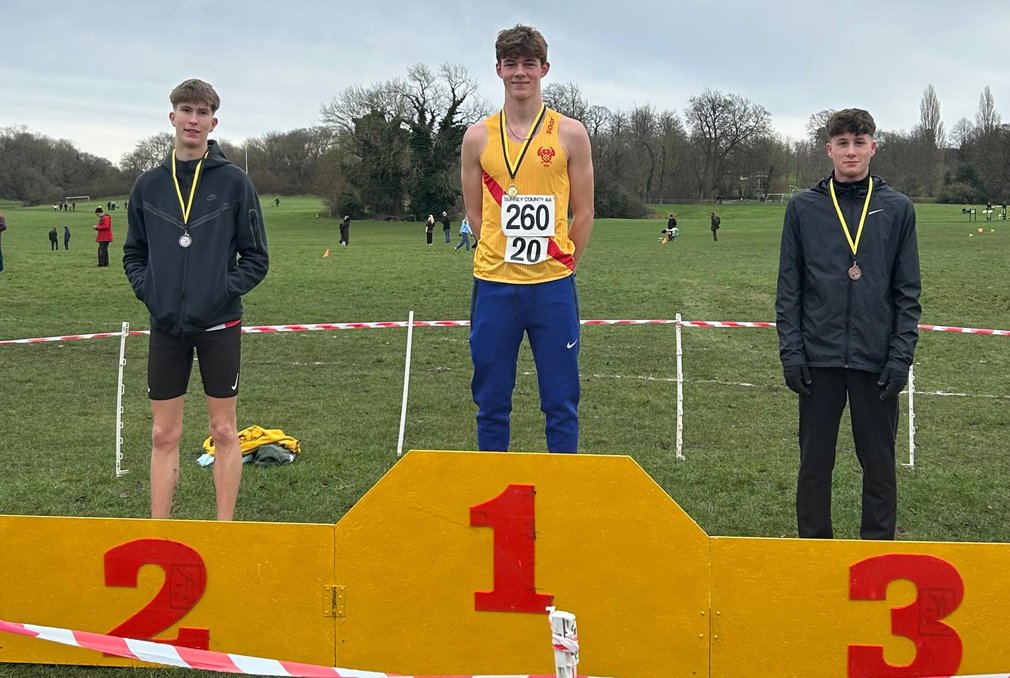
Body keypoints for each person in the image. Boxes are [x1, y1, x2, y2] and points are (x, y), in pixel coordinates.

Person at [123, 78, 269, 521]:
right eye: (186, 110)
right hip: (167, 325)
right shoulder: (148, 185)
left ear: (213, 121)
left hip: (219, 325)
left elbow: (256, 258)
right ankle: (160, 532)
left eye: (202, 112)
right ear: (172, 117)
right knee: (163, 435)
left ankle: (223, 531)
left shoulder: (235, 183)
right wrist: (152, 292)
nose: (193, 119)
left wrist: (220, 291)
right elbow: (134, 253)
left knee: (225, 429)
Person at [775, 108, 921, 541]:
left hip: (875, 359)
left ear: (874, 147)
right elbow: (789, 287)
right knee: (815, 465)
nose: (851, 151)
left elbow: (907, 291)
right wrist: (791, 351)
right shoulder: (804, 207)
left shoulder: (898, 208)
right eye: (843, 143)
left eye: (860, 142)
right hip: (818, 357)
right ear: (829, 150)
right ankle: (813, 551)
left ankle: (876, 553)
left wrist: (900, 358)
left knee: (878, 466)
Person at [460, 24, 594, 453]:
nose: (521, 72)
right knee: (491, 402)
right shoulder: (477, 137)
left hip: (552, 287)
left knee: (561, 401)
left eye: (529, 64)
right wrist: (501, 253)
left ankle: (561, 493)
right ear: (498, 69)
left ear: (544, 68)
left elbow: (585, 210)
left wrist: (562, 261)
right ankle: (494, 488)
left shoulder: (570, 133)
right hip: (495, 287)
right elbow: (475, 213)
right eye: (511, 63)